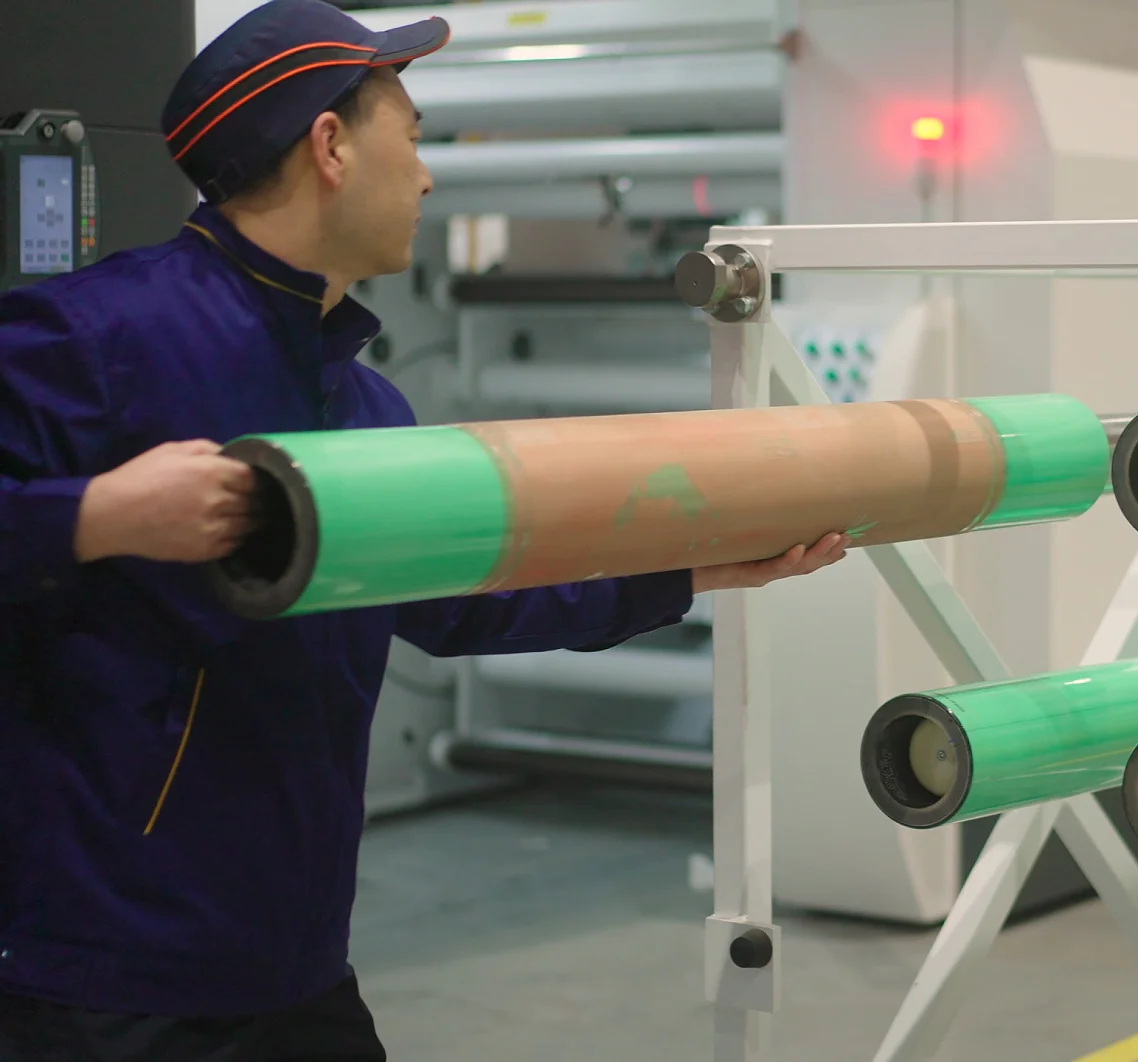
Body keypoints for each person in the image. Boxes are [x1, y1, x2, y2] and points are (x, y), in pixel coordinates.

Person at [0, 2, 845, 1058]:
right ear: (330, 145)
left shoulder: (363, 403)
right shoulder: (96, 337)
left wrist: (684, 573)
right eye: (414, 135)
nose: (431, 175)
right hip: (107, 988)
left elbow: (457, 600)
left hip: (296, 973)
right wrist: (95, 516)